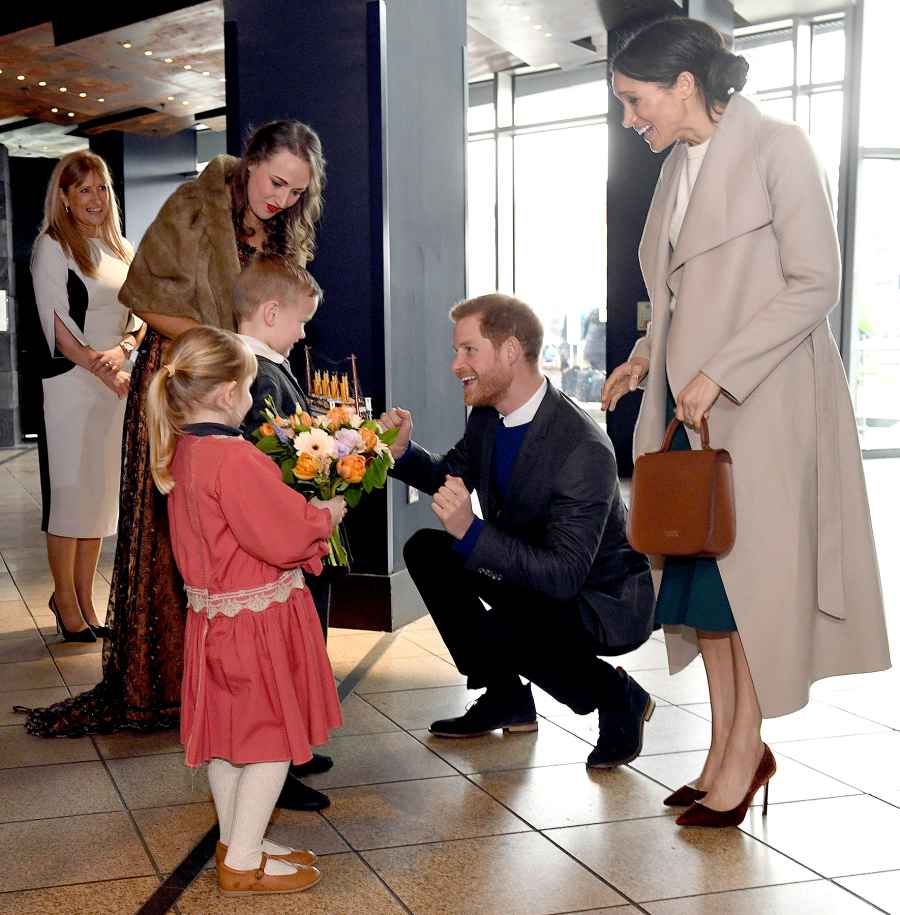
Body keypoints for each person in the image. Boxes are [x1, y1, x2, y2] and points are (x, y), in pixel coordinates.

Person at [602, 17, 891, 827]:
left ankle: (745, 749)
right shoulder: (678, 169)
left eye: (635, 99)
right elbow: (676, 292)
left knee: (749, 589)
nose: (631, 118)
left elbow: (815, 281)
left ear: (684, 85)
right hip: (694, 417)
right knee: (706, 593)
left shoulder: (780, 147)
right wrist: (643, 352)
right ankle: (728, 745)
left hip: (764, 407)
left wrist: (717, 369)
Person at [24, 120, 332, 807]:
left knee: (267, 560)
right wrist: (222, 344)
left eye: (296, 190)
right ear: (248, 163)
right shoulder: (193, 205)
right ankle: (243, 738)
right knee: (204, 566)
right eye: (274, 181)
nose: (282, 198)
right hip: (195, 389)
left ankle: (279, 739)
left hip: (253, 385)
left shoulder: (282, 227)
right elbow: (145, 298)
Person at [383, 293, 656, 768]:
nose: (455, 365)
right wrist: (405, 453)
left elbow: (563, 576)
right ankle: (506, 695)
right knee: (428, 550)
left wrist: (471, 532)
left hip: (595, 598)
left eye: (468, 351)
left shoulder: (583, 448)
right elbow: (452, 472)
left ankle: (617, 695)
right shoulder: (489, 417)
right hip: (528, 575)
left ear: (510, 351)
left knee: (504, 629)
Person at [145, 325, 343, 896]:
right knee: (270, 742)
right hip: (256, 624)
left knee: (231, 743)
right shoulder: (236, 458)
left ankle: (238, 841)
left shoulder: (183, 453)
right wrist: (325, 515)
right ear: (229, 391)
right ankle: (243, 862)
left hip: (212, 621)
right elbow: (281, 534)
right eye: (251, 389)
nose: (253, 400)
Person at [29, 151, 145, 642]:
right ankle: (66, 603)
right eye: (84, 191)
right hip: (71, 385)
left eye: (101, 189)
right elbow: (57, 329)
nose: (95, 199)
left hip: (115, 379)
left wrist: (121, 353)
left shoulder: (122, 248)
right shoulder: (52, 246)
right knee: (71, 497)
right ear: (65, 198)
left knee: (99, 500)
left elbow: (142, 313)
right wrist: (103, 367)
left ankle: (86, 601)